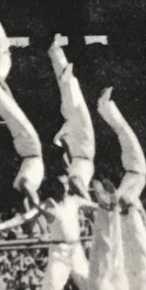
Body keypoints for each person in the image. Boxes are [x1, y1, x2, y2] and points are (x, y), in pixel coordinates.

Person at [23, 172, 96, 290]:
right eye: (62, 185)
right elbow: (29, 215)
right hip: (59, 251)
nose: (66, 188)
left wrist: (112, 206)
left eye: (66, 184)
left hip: (76, 250)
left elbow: (94, 206)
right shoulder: (49, 204)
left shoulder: (74, 200)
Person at [0, 73, 45, 210]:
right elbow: (33, 199)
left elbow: (27, 203)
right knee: (12, 113)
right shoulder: (22, 184)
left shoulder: (19, 185)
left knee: (11, 113)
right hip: (30, 148)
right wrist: (39, 210)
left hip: (26, 149)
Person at [49, 38, 96, 194]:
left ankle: (64, 73)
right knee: (72, 97)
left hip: (82, 149)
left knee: (74, 99)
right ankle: (55, 53)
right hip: (81, 147)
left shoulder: (75, 178)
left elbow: (74, 180)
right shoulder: (74, 175)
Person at [97, 87, 146, 204]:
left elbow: (118, 200)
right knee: (122, 130)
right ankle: (104, 106)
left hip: (135, 167)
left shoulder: (121, 197)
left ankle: (104, 105)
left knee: (123, 130)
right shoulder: (124, 197)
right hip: (133, 169)